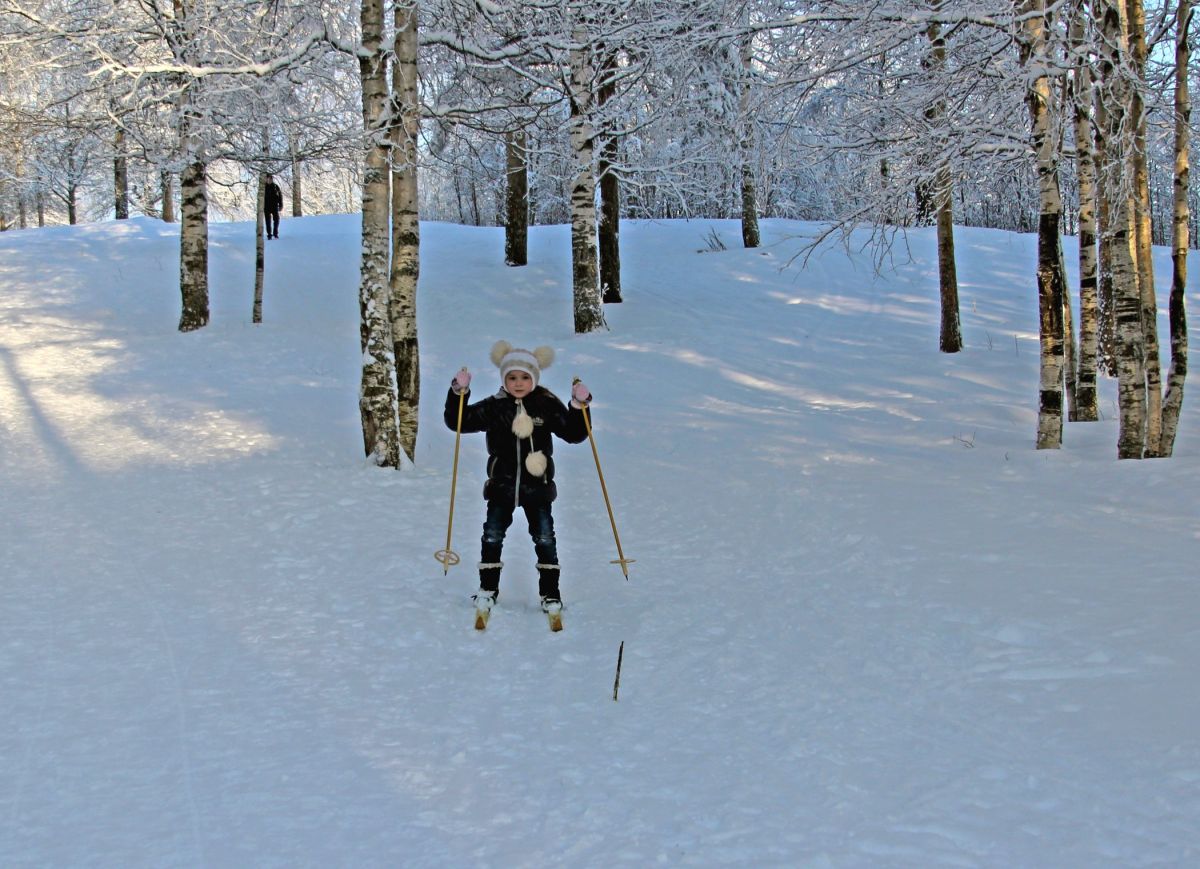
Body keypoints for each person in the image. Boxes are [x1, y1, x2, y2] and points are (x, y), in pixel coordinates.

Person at [444, 340, 593, 619]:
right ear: (504, 379)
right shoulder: (496, 406)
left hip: (538, 489)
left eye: (525, 377)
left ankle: (550, 594)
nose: (518, 383)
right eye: (512, 377)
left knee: (545, 538)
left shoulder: (546, 404)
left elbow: (574, 434)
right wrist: (457, 393)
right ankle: (488, 589)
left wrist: (577, 406)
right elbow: (459, 421)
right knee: (492, 535)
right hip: (502, 486)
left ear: (534, 378)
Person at [263, 173, 283, 239]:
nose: (268, 180)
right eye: (267, 179)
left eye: (270, 178)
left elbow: (280, 196)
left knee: (276, 220)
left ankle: (275, 233)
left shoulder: (275, 186)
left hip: (274, 206)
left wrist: (280, 205)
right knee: (268, 221)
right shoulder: (263, 188)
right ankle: (269, 234)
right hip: (266, 207)